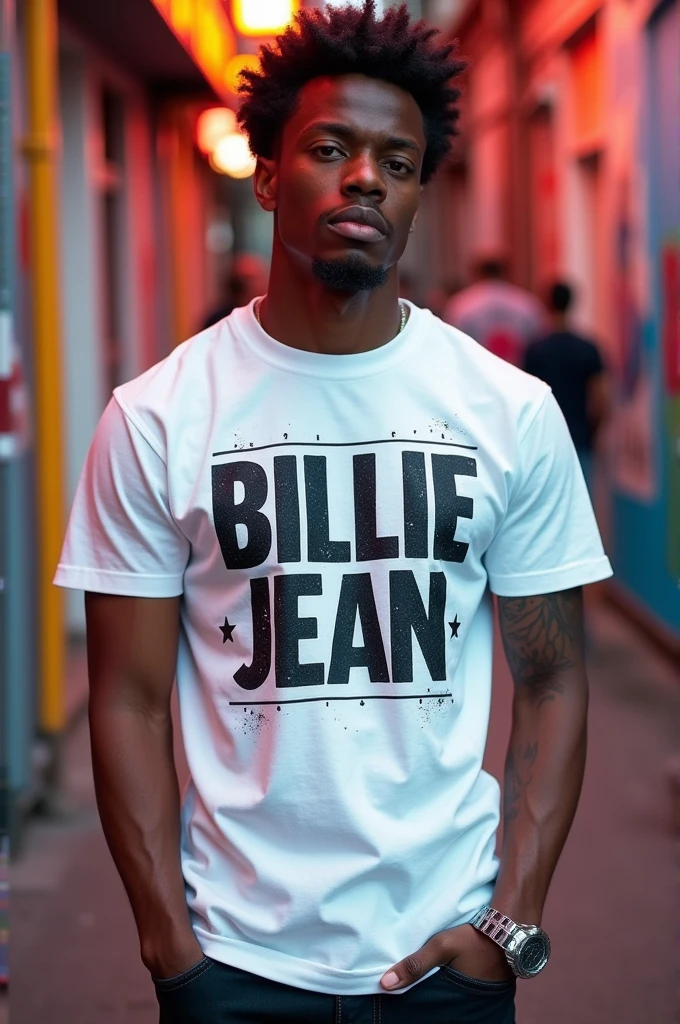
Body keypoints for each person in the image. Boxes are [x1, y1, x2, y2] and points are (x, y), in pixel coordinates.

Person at [54, 3, 612, 1022]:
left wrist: (511, 921)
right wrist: (169, 947)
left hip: (448, 958)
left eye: (397, 163)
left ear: (414, 199)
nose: (366, 177)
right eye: (330, 148)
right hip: (232, 962)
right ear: (268, 175)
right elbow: (125, 698)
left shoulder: (504, 412)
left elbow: (553, 677)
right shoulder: (158, 417)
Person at [523, 281, 610, 491]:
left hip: (545, 444)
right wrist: (592, 433)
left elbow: (527, 400)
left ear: (547, 305)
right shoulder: (587, 347)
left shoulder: (535, 350)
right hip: (579, 440)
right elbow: (602, 401)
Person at [443, 254, 547, 366]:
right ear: (506, 273)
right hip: (517, 373)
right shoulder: (527, 303)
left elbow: (451, 345)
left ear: (477, 274)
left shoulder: (461, 305)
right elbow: (540, 341)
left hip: (478, 373)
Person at [201, 253, 269, 330]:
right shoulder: (218, 320)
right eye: (245, 279)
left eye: (259, 278)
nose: (244, 285)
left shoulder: (269, 318)